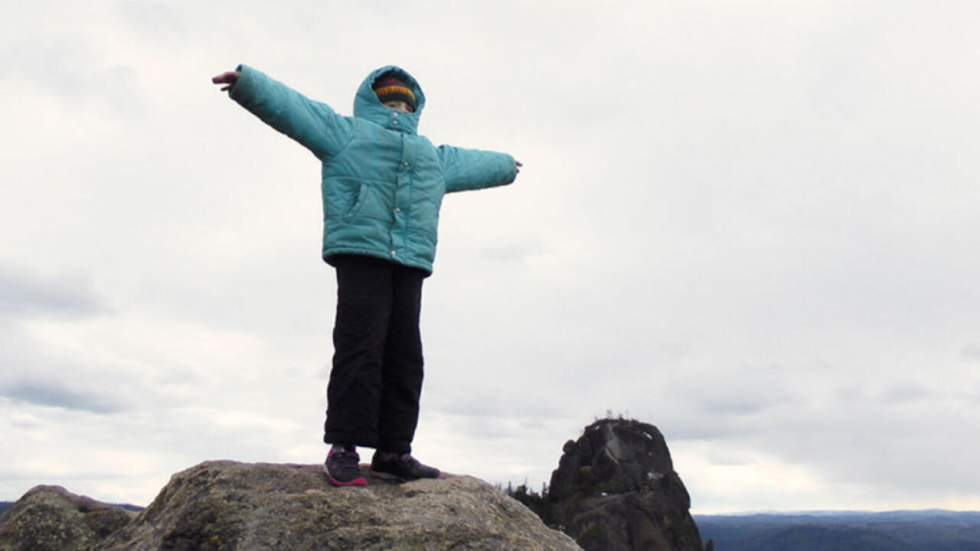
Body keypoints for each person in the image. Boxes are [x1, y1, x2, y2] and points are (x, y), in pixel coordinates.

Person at [212, 64, 521, 487]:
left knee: (405, 356)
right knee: (360, 346)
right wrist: (248, 84)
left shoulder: (431, 155)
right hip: (361, 250)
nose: (397, 106)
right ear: (373, 102)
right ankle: (344, 447)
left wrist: (507, 165)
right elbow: (296, 110)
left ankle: (394, 452)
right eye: (390, 99)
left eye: (403, 101)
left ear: (414, 108)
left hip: (410, 259)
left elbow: (473, 163)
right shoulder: (348, 134)